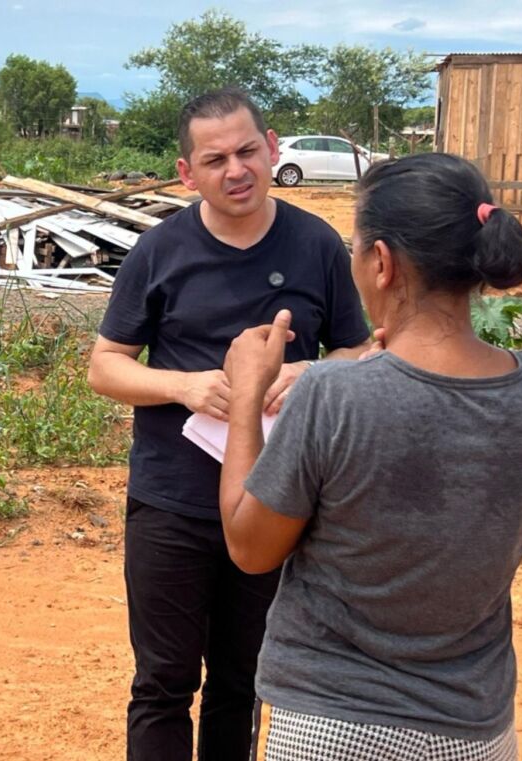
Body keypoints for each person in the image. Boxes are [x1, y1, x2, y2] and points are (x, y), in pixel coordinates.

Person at [220, 152, 522, 760]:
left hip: (334, 725)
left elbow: (250, 548)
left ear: (382, 262)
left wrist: (248, 396)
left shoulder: (334, 395)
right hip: (477, 731)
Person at [87, 87, 371, 760]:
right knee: (162, 682)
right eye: (215, 160)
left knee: (242, 682)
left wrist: (311, 373)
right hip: (171, 501)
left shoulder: (317, 245)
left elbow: (359, 350)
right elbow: (105, 366)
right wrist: (183, 386)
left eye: (247, 151)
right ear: (188, 173)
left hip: (275, 501)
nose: (236, 170)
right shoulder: (159, 251)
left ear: (272, 149)